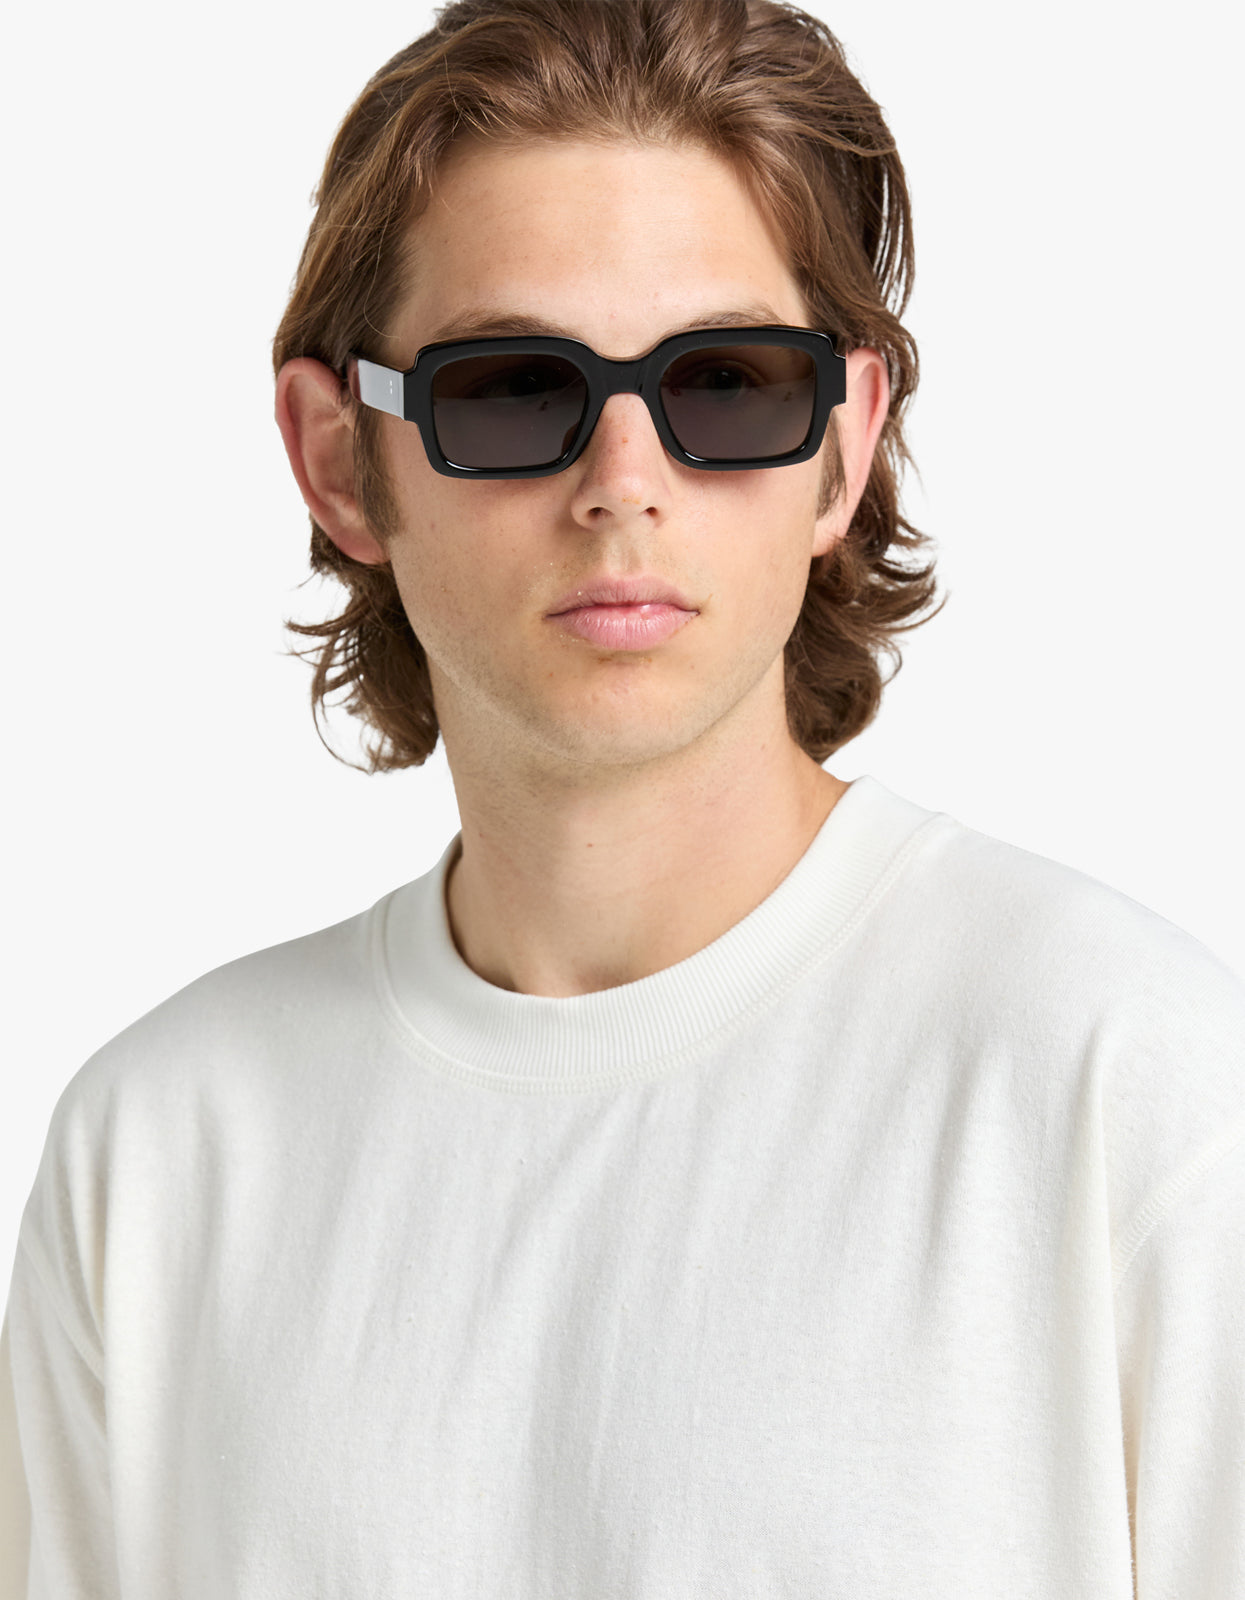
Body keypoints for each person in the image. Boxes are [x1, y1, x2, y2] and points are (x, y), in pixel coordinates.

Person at [2, 0, 1242, 1593]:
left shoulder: (1131, 1089)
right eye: (515, 389)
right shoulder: (162, 1153)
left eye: (726, 382)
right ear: (338, 460)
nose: (623, 484)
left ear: (844, 445)